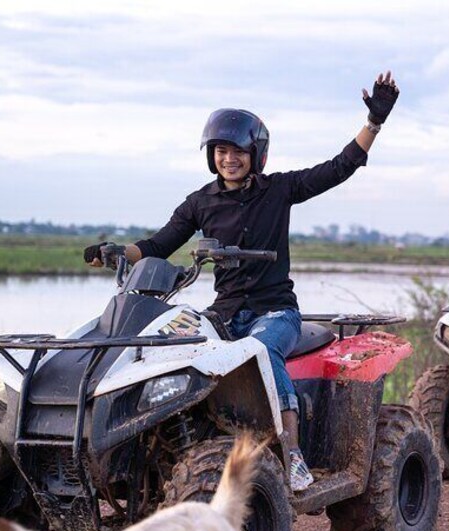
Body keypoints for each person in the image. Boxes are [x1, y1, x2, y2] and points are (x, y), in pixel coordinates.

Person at [83, 71, 400, 491]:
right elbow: (159, 244)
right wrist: (118, 252)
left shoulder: (279, 190)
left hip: (275, 312)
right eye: (220, 151)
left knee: (262, 351)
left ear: (256, 154)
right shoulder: (200, 202)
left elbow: (338, 168)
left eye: (237, 151)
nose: (228, 158)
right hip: (225, 313)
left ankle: (292, 454)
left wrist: (373, 123)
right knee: (170, 348)